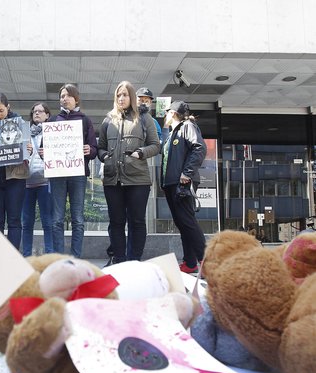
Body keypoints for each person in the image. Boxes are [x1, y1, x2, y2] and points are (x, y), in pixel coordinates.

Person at [98, 81, 160, 264]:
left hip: (138, 180)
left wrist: (140, 153)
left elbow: (156, 145)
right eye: (118, 95)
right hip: (112, 179)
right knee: (116, 222)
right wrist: (105, 157)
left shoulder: (144, 118)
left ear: (132, 97)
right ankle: (119, 259)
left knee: (137, 222)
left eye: (125, 94)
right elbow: (100, 147)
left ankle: (134, 261)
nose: (121, 98)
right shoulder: (108, 119)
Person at [48, 84, 97, 258]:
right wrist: (42, 151)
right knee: (57, 220)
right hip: (58, 176)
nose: (64, 99)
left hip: (78, 175)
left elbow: (94, 148)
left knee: (78, 219)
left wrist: (88, 150)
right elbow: (44, 149)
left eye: (68, 96)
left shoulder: (85, 120)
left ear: (76, 98)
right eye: (62, 96)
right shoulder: (53, 121)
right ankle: (59, 259)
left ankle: (76, 258)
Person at [161, 100, 206, 273]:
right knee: (183, 223)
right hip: (172, 183)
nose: (165, 116)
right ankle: (190, 262)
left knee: (188, 222)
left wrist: (187, 173)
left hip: (182, 182)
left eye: (166, 113)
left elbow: (199, 148)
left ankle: (206, 263)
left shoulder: (187, 126)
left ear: (172, 113)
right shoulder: (173, 132)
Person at [0, 93, 29, 250]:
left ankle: (14, 258)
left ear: (8, 107)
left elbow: (27, 152)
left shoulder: (21, 124)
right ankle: (0, 257)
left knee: (14, 220)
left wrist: (28, 148)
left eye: (1, 111)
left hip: (15, 178)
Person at [22, 102, 53, 257]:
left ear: (47, 115)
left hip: (45, 182)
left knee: (48, 222)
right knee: (26, 223)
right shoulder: (24, 133)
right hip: (26, 182)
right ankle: (26, 256)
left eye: (40, 111)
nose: (37, 114)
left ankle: (49, 256)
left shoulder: (53, 132)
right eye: (34, 111)